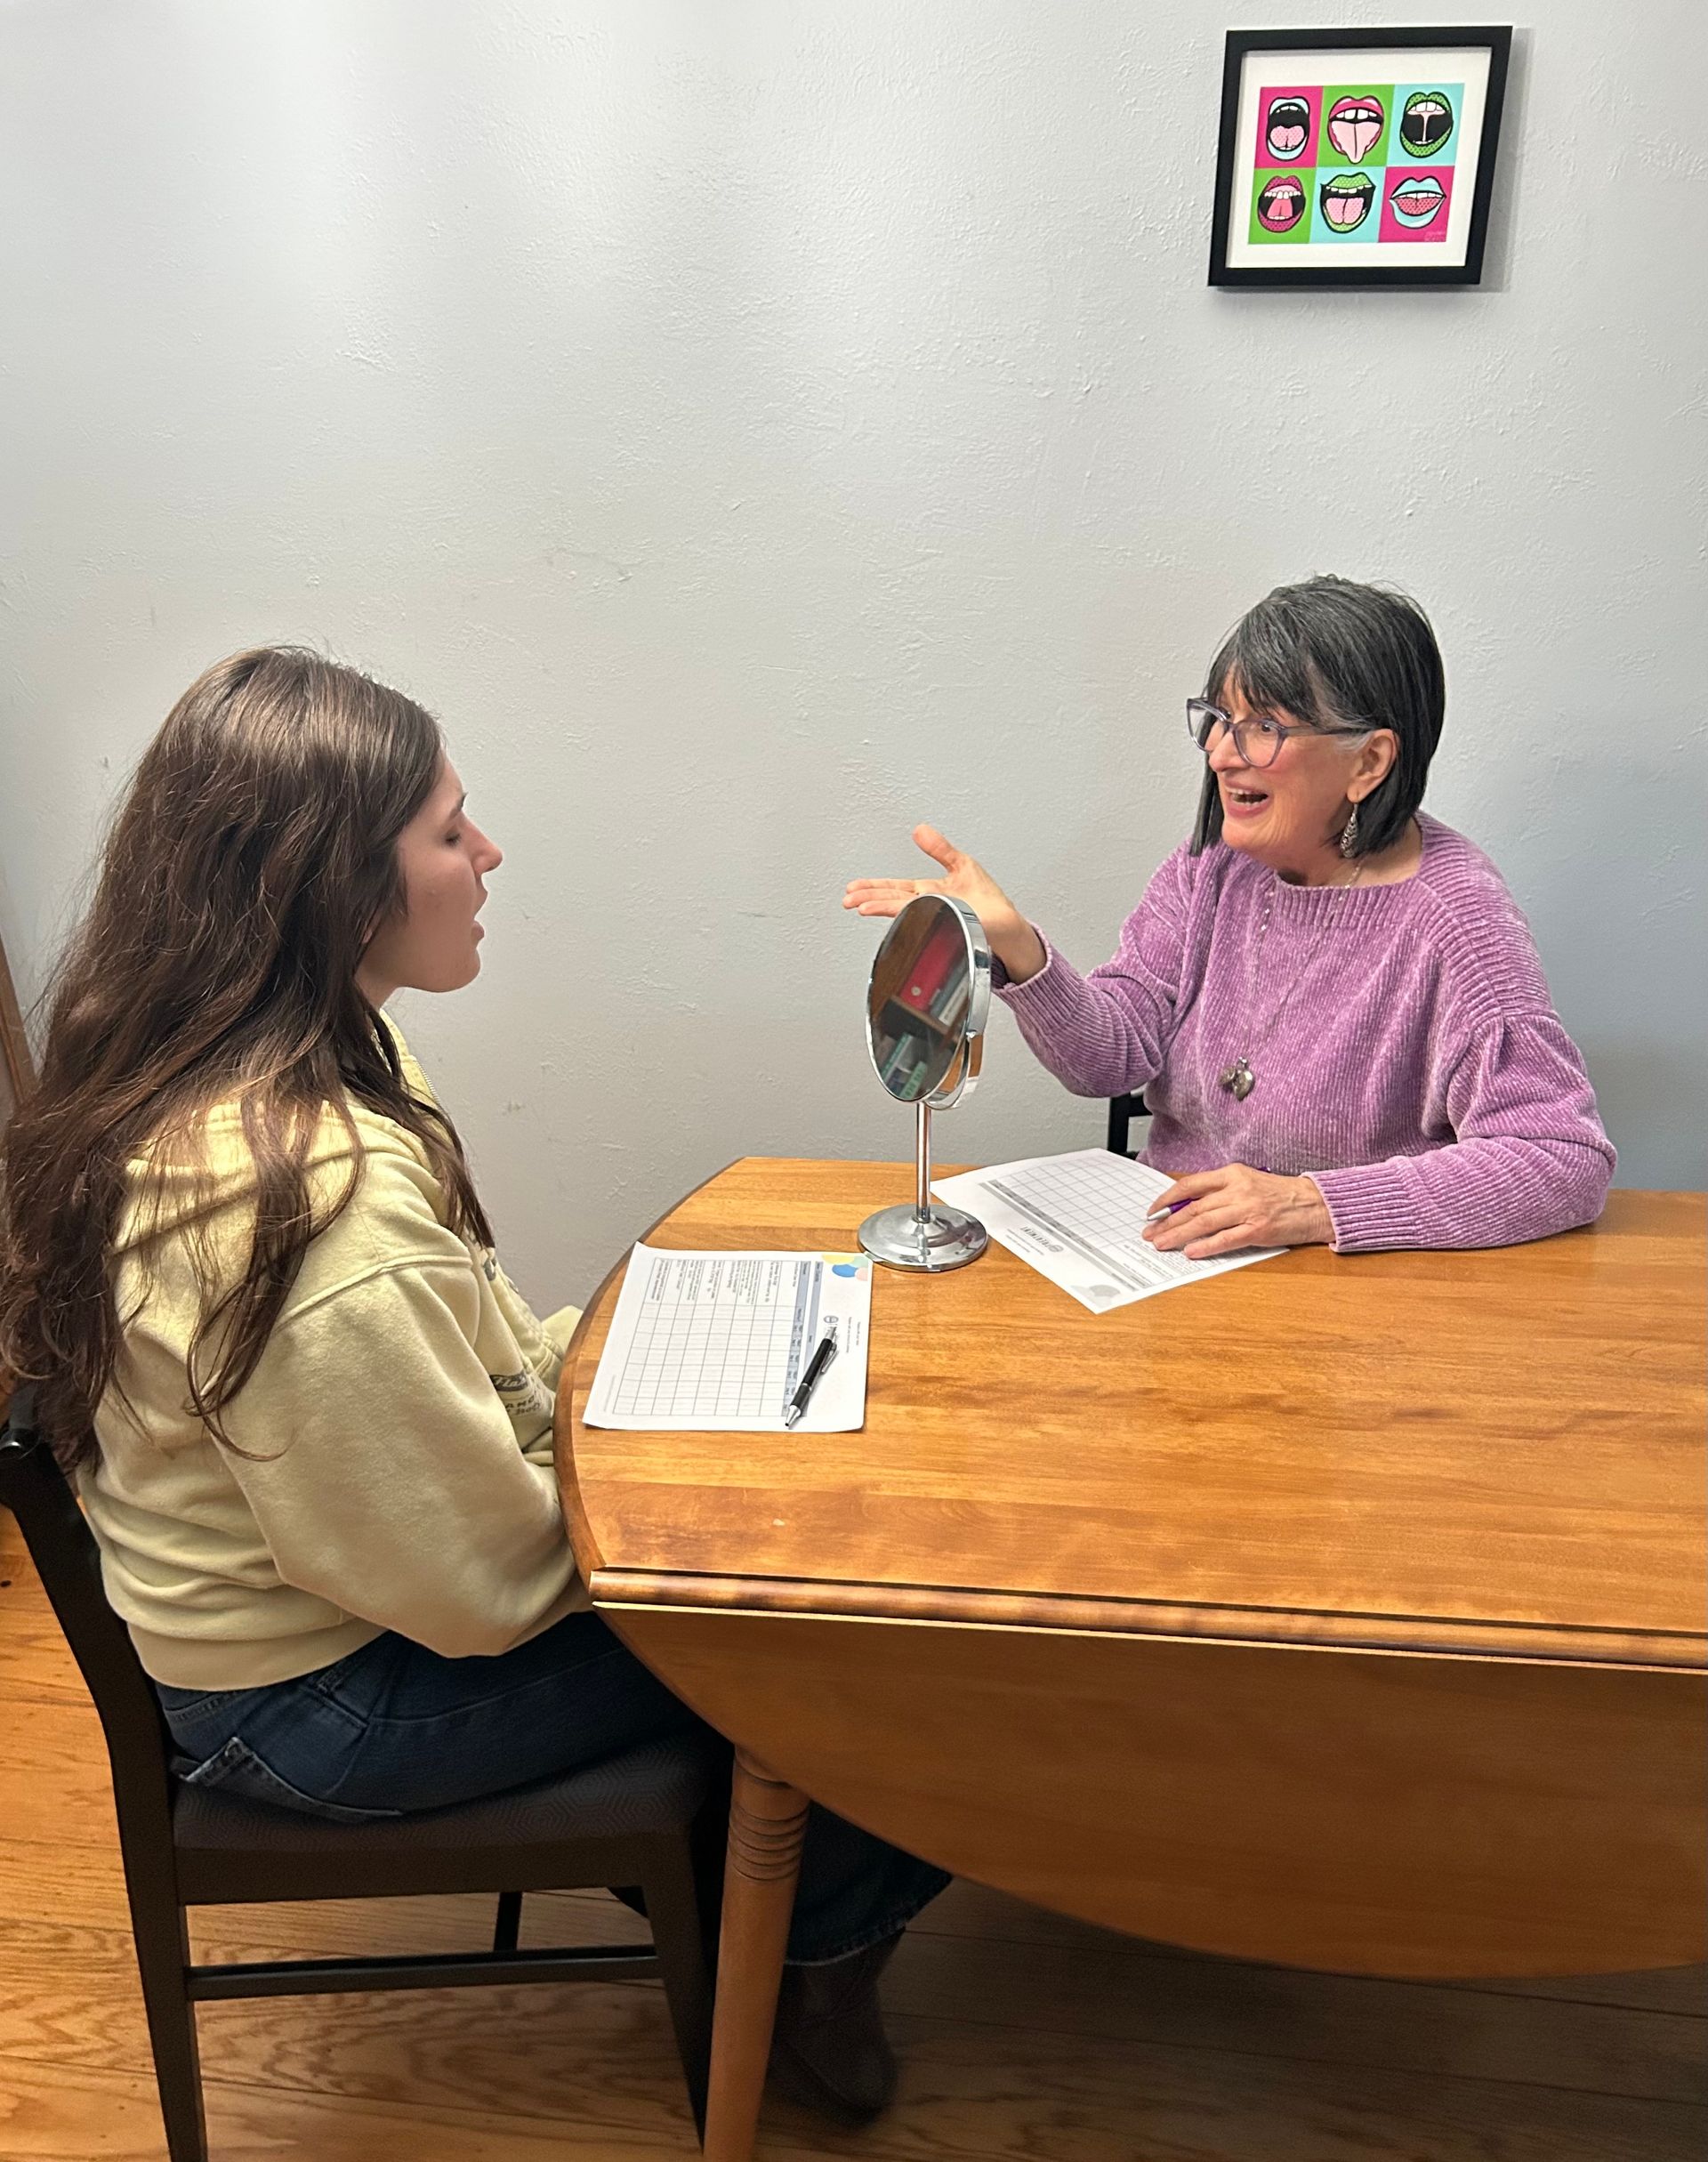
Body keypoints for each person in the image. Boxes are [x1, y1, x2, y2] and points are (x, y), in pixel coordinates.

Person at [0, 646, 945, 2123]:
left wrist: (632, 1382)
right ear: (336, 887)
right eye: (449, 830)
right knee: (859, 1629)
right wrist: (725, 1526)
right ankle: (811, 1947)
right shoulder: (312, 1215)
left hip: (340, 1594)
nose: (487, 852)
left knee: (818, 1541)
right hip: (322, 1700)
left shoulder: (314, 1060)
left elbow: (479, 1344)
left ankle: (752, 1888)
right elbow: (469, 1586)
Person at [845, 577, 1614, 1254]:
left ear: (1369, 763)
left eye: (1263, 728)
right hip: (1166, 1260)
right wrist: (1016, 950)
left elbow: (1559, 1157)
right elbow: (1111, 1059)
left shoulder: (1456, 923)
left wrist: (1314, 1206)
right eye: (1217, 718)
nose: (1219, 753)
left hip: (1342, 1314)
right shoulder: (1212, 866)